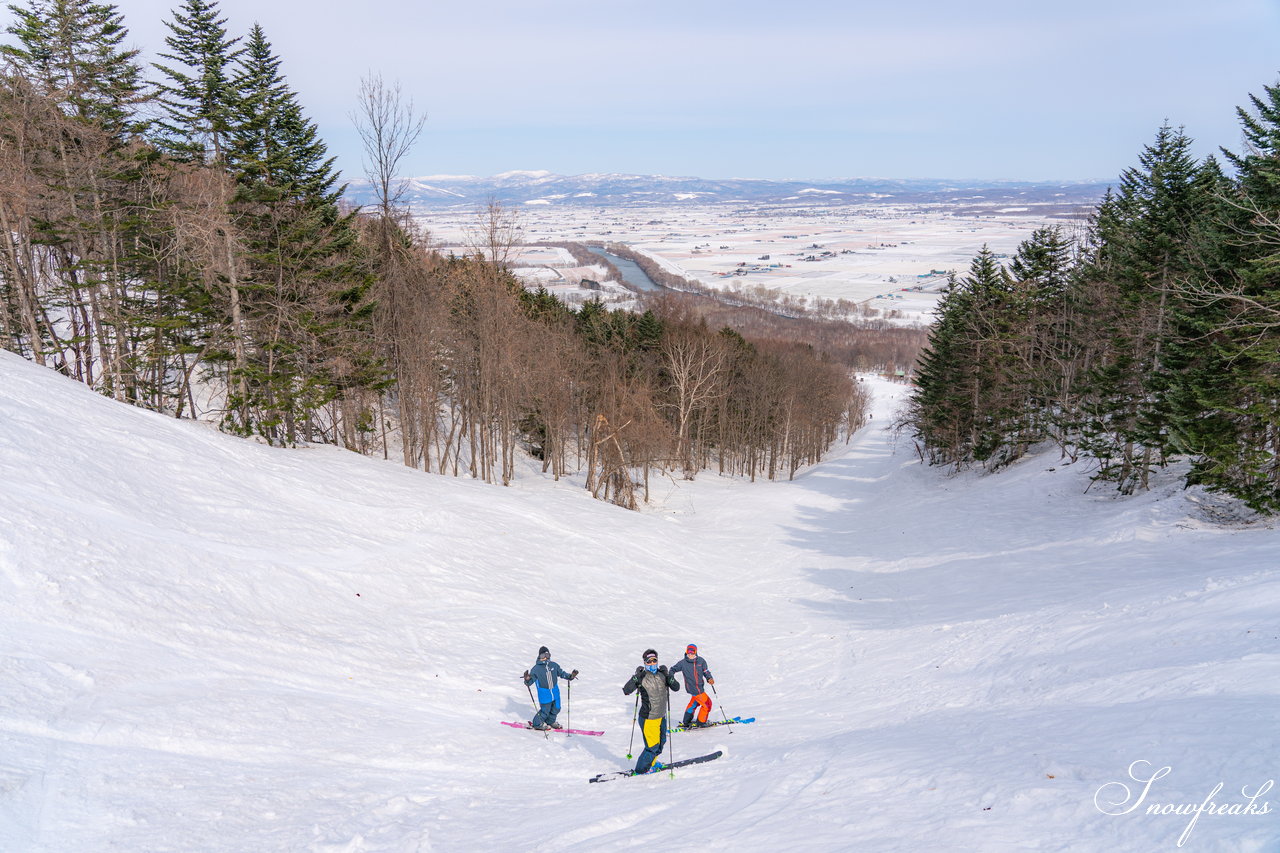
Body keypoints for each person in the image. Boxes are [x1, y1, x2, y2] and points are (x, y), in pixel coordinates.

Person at [622, 648, 680, 774]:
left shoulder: (662, 675)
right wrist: (636, 677)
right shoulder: (642, 677)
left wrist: (668, 676)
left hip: (661, 717)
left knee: (661, 744)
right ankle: (641, 770)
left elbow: (676, 687)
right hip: (648, 718)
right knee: (652, 747)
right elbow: (626, 690)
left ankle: (651, 764)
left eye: (654, 661)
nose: (652, 664)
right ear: (645, 663)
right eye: (649, 661)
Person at [522, 646, 577, 730]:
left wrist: (570, 676)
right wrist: (527, 679)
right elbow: (529, 682)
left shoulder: (554, 665)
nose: (545, 657)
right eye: (542, 655)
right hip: (544, 693)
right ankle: (537, 724)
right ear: (539, 656)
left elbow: (562, 673)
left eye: (547, 655)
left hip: (555, 692)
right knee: (545, 711)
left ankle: (550, 721)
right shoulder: (536, 669)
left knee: (556, 708)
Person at [668, 643, 715, 729]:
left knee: (694, 704)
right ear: (686, 652)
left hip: (699, 688)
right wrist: (671, 676)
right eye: (688, 651)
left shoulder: (701, 661)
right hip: (695, 690)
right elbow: (672, 669)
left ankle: (686, 721)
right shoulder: (683, 663)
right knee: (707, 704)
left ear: (696, 652)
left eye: (692, 652)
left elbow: (706, 671)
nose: (690, 654)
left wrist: (709, 678)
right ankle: (701, 722)